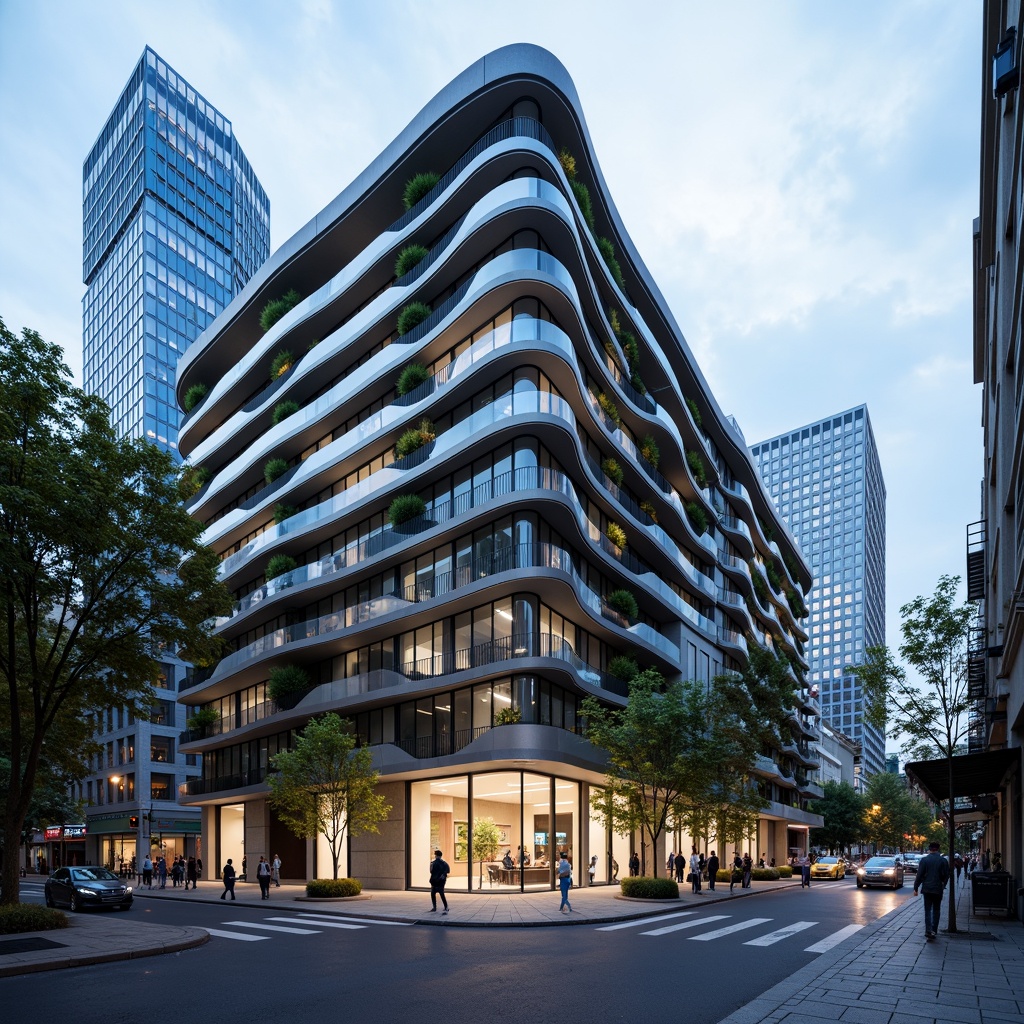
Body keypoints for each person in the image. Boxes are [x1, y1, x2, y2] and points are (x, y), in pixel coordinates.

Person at [913, 841, 950, 940]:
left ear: (929, 849)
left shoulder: (924, 860)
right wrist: (943, 885)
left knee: (927, 910)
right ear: (938, 849)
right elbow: (946, 875)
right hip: (938, 888)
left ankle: (928, 930)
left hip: (927, 889)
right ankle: (934, 930)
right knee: (936, 910)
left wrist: (916, 887)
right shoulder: (943, 861)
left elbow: (919, 875)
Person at [429, 848, 450, 914]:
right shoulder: (444, 863)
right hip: (441, 881)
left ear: (436, 855)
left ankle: (434, 907)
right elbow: (448, 871)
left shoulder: (433, 863)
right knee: (441, 894)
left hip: (434, 881)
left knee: (433, 894)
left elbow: (431, 871)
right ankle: (446, 906)